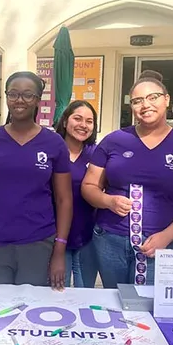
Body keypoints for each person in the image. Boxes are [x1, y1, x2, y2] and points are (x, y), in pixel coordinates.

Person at [81, 70, 173, 288]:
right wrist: (108, 201)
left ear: (167, 100)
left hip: (160, 244)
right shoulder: (114, 141)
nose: (145, 105)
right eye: (137, 100)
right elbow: (89, 186)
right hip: (111, 240)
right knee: (114, 303)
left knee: (150, 307)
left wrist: (166, 237)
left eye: (152, 97)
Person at [0, 71, 72, 290]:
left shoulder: (54, 143)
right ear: (6, 97)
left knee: (31, 311)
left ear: (38, 100)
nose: (20, 100)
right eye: (13, 94)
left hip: (38, 244)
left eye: (28, 95)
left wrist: (59, 251)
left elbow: (64, 199)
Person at [54, 100, 99, 288]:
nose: (83, 125)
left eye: (89, 121)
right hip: (55, 234)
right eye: (77, 118)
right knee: (58, 290)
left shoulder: (97, 154)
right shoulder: (52, 150)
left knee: (86, 291)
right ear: (65, 122)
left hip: (87, 235)